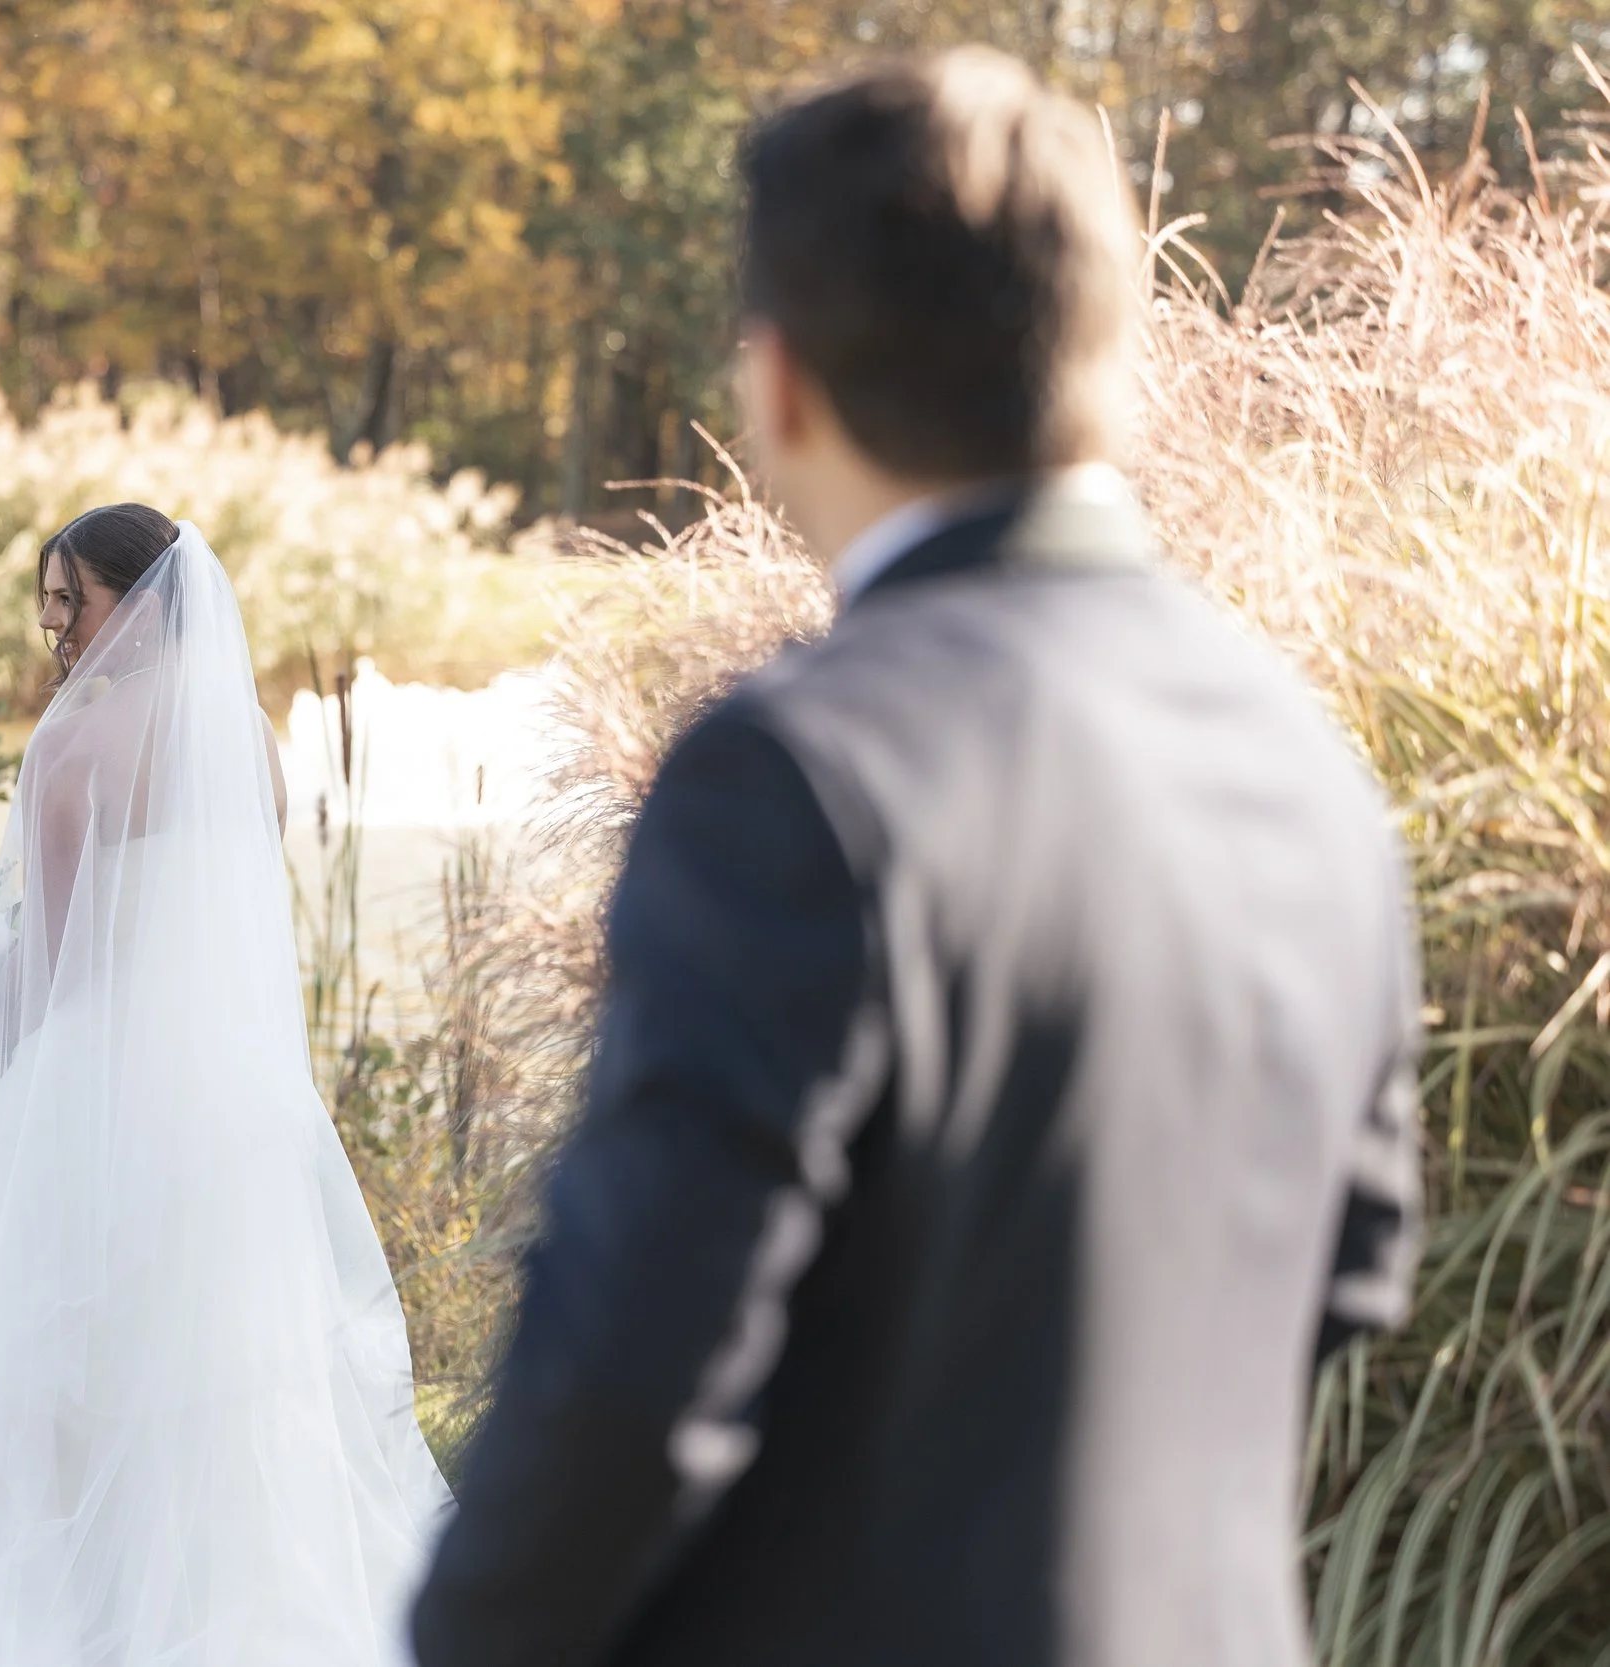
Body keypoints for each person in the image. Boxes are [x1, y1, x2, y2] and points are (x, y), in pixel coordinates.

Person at [410, 49, 1423, 1667]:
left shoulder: (795, 776)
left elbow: (631, 1364)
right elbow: (1350, 1267)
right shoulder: (1310, 764)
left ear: (778, 383)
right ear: (1107, 352)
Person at [0, 504, 452, 1666]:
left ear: (133, 601)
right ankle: (218, 1577)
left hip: (96, 1073)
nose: (53, 624)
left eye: (69, 598)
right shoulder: (244, 735)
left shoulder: (70, 748)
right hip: (230, 1091)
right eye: (46, 599)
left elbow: (49, 955)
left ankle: (89, 1592)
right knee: (221, 1338)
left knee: (79, 1338)